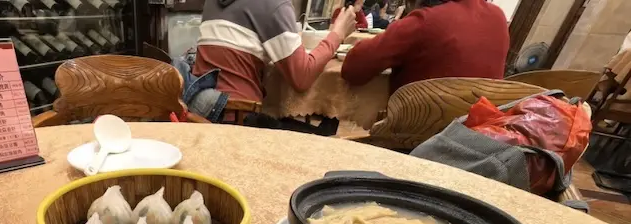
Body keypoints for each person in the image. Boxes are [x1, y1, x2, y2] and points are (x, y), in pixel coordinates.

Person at [192, 0, 358, 102]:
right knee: (323, 133)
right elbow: (302, 77)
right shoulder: (274, 4)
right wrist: (338, 34)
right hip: (237, 116)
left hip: (198, 107)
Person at [340, 0, 509, 93]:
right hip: (484, 139)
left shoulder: (423, 22)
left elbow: (353, 70)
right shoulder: (498, 17)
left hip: (418, 142)